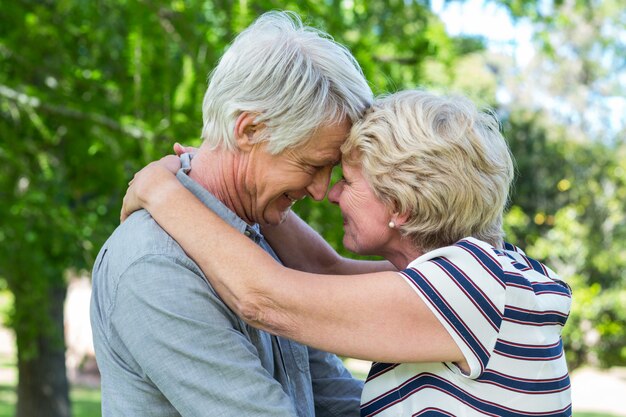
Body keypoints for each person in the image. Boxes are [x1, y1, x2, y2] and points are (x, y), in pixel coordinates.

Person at [122, 90, 573, 416]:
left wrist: (161, 190)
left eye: (350, 181)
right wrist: (231, 175)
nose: (330, 193)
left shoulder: (469, 287)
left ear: (400, 206)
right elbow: (324, 269)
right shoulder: (493, 272)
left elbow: (263, 298)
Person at [90, 11, 374, 417]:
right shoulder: (156, 267)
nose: (318, 190)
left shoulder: (256, 237)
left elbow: (330, 394)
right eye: (313, 165)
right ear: (249, 130)